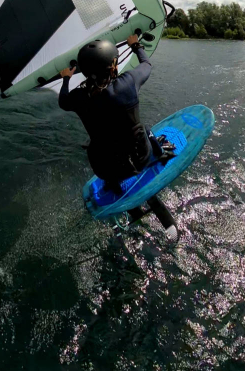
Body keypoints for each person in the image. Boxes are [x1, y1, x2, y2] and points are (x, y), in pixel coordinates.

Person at [59, 32, 178, 240]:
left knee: (101, 144)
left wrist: (66, 79)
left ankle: (122, 198)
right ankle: (158, 155)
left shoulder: (78, 98)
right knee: (145, 128)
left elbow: (63, 101)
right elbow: (147, 65)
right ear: (113, 67)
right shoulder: (128, 83)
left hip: (105, 168)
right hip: (139, 159)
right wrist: (136, 45)